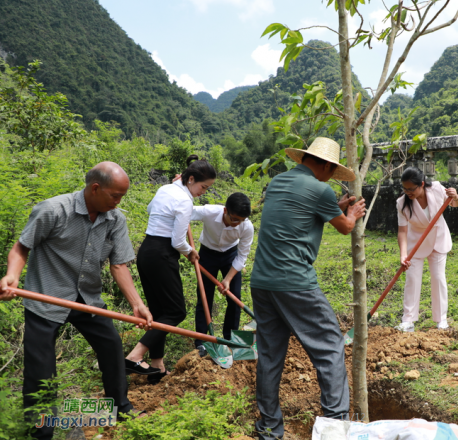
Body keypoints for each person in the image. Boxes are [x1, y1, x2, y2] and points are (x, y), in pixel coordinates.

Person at [0, 162, 153, 439]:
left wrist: (137, 304)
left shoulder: (115, 219)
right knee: (40, 367)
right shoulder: (53, 210)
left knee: (112, 346)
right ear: (95, 188)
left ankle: (120, 406)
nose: (119, 202)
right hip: (46, 296)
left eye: (122, 196)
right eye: (115, 196)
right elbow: (21, 247)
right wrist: (12, 277)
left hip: (87, 299)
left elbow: (119, 265)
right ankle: (42, 428)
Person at [249, 137, 367, 440]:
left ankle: (269, 429)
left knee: (270, 354)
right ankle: (336, 428)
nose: (332, 178)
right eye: (332, 171)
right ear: (326, 165)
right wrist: (350, 215)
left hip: (262, 281)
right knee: (330, 346)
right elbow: (344, 227)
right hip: (295, 282)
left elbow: (299, 217)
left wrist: (336, 209)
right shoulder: (320, 189)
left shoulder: (277, 183)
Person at [125, 155, 216, 383]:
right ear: (191, 178)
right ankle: (135, 356)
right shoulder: (185, 200)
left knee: (159, 313)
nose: (203, 192)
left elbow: (150, 208)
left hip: (146, 251)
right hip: (163, 253)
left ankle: (157, 367)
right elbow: (177, 241)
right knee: (176, 312)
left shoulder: (166, 189)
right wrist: (190, 252)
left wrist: (177, 185)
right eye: (203, 187)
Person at [395, 167, 458, 333]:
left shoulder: (437, 188)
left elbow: (454, 204)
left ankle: (441, 320)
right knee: (412, 279)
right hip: (416, 243)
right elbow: (402, 231)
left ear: (422, 184)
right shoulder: (401, 203)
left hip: (438, 239)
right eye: (405, 188)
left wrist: (455, 196)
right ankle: (408, 320)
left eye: (411, 189)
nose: (408, 192)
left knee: (438, 278)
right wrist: (403, 255)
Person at [191, 192, 254, 357]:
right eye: (234, 219)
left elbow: (242, 256)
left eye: (241, 220)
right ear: (225, 210)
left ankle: (230, 339)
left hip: (230, 256)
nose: (237, 224)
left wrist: (227, 279)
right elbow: (184, 212)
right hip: (207, 255)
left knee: (235, 298)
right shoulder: (209, 212)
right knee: (205, 298)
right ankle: (202, 341)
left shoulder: (246, 226)